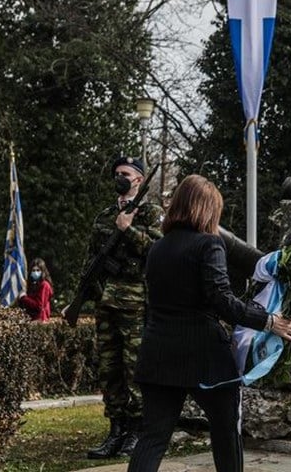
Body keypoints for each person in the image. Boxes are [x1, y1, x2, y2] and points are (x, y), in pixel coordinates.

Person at [127, 175, 291, 472]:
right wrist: (270, 321)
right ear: (207, 209)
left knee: (153, 438)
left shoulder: (157, 248)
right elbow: (222, 300)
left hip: (157, 352)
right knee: (225, 429)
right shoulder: (209, 244)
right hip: (205, 356)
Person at [78, 156, 163, 459]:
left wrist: (128, 229)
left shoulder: (151, 213)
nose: (119, 177)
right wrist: (82, 294)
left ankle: (137, 432)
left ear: (139, 179)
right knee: (108, 368)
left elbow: (158, 251)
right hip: (106, 303)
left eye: (125, 174)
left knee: (134, 368)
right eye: (116, 173)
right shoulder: (104, 215)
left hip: (136, 303)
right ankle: (115, 431)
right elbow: (92, 258)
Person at [17, 257, 54, 322]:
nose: (35, 272)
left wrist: (24, 298)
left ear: (42, 271)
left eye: (38, 270)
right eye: (33, 270)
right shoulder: (33, 285)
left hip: (40, 320)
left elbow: (39, 306)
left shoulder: (44, 285)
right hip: (31, 319)